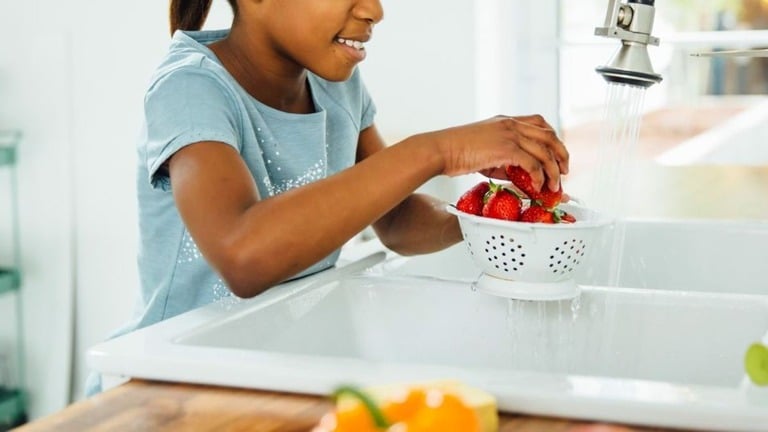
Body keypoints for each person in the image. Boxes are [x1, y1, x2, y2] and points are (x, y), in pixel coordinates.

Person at [86, 0, 568, 394]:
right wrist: (435, 150)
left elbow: (397, 221)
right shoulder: (190, 87)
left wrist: (496, 214)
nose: (376, 10)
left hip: (269, 376)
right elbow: (243, 254)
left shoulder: (337, 86)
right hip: (167, 387)